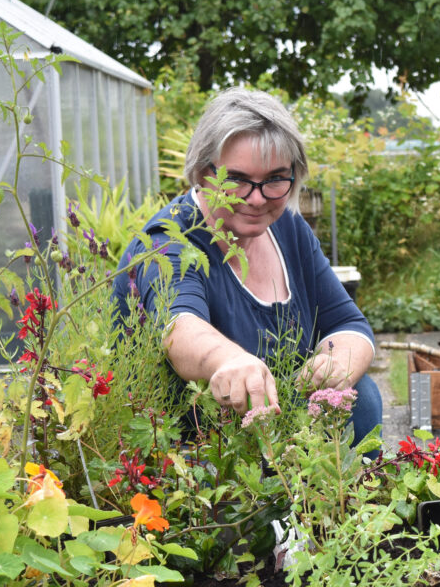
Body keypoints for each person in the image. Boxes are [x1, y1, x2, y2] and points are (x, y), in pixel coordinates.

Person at [113, 88, 380, 440]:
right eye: (237, 179)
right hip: (198, 459)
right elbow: (178, 327)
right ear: (201, 171)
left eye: (274, 179)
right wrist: (227, 360)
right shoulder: (169, 242)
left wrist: (337, 364)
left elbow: (346, 322)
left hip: (281, 447)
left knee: (361, 395)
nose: (256, 199)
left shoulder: (287, 228)